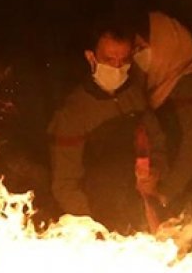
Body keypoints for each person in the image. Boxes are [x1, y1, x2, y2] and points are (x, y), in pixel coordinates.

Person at [48, 16, 167, 234]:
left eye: (123, 60)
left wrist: (155, 172)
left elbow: (157, 141)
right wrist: (95, 230)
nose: (117, 67)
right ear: (91, 57)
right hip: (101, 225)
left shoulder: (134, 96)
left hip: (142, 218)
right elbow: (65, 185)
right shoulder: (73, 113)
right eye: (109, 59)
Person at [134, 11, 192, 217]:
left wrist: (165, 193)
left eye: (143, 48)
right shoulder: (161, 86)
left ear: (165, 46)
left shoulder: (191, 84)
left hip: (186, 200)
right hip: (165, 193)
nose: (138, 55)